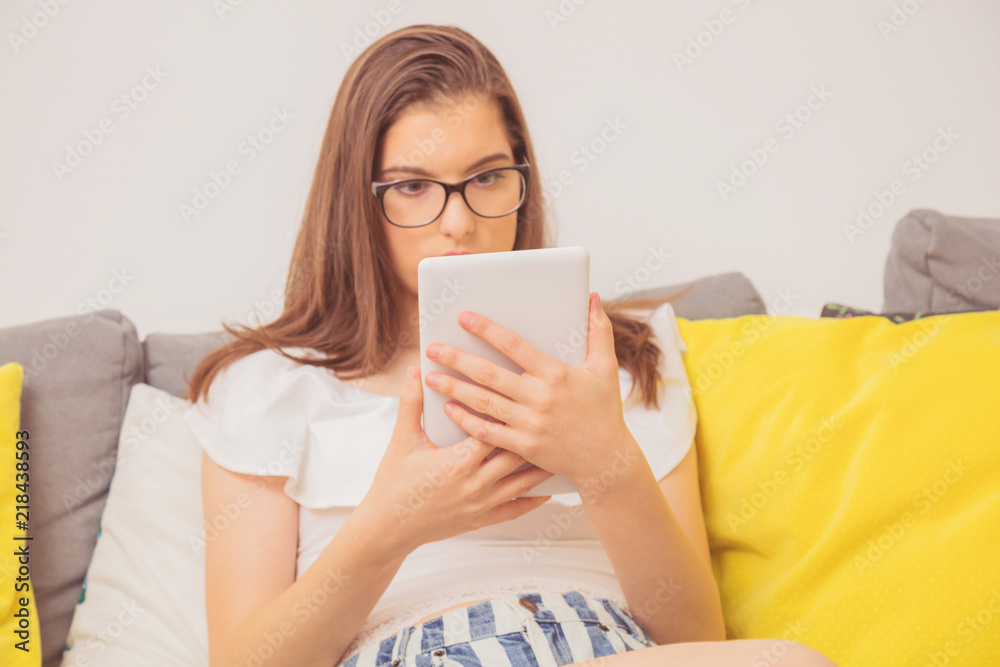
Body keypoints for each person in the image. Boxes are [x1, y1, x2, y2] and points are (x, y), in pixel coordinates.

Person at [183, 23, 837, 667]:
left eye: (488, 177)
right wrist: (388, 529)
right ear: (357, 202)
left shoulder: (622, 359)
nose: (459, 222)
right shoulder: (264, 386)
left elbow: (694, 634)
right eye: (412, 187)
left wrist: (604, 459)